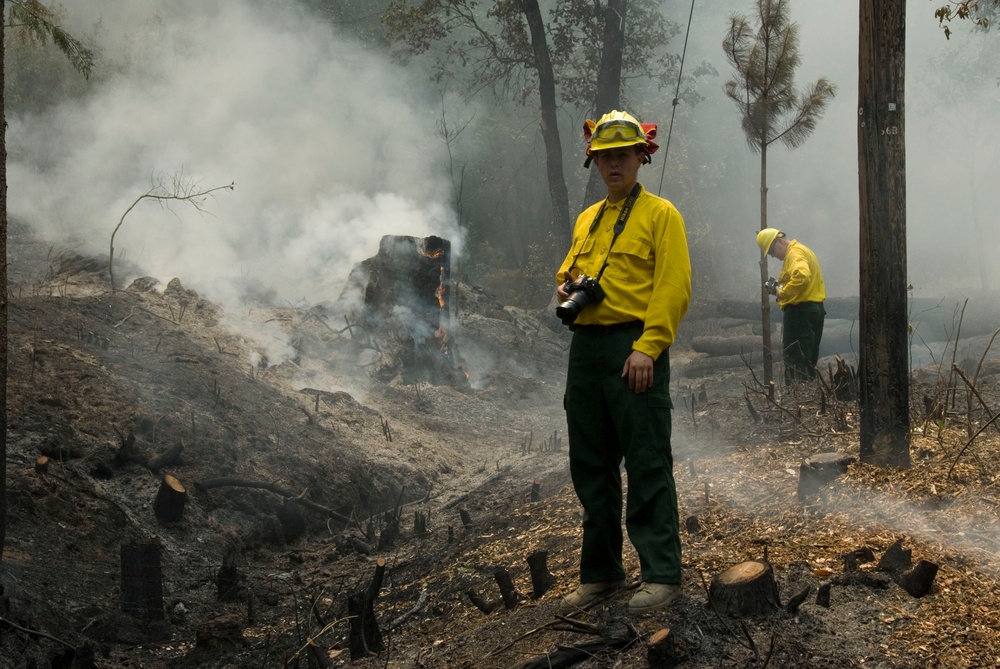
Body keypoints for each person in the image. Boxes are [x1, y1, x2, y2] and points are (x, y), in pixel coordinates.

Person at [554, 110, 691, 613]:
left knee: (647, 458)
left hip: (632, 346)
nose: (613, 164)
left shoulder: (661, 214)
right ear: (595, 161)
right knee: (591, 463)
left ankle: (661, 573)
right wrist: (566, 288)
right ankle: (602, 574)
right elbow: (568, 272)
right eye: (604, 156)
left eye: (622, 155)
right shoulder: (588, 218)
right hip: (586, 350)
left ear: (641, 157)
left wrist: (648, 346)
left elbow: (674, 287)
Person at [756, 227, 826, 385]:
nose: (773, 256)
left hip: (800, 313)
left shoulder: (794, 253)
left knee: (795, 360)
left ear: (780, 241)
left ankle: (797, 397)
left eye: (772, 250)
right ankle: (807, 395)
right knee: (807, 359)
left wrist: (782, 292)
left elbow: (802, 277)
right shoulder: (802, 250)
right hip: (813, 310)